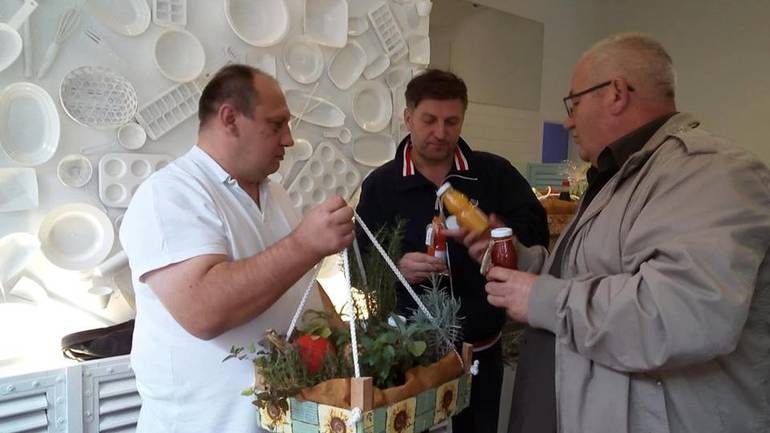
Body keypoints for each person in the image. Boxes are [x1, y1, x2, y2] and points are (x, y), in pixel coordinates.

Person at [465, 33, 770, 433]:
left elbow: (678, 314)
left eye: (574, 103)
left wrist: (540, 298)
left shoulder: (713, 173)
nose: (568, 121)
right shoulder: (617, 174)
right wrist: (520, 259)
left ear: (616, 94)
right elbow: (588, 274)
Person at [119, 64, 355, 433]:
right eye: (276, 125)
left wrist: (344, 340)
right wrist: (305, 245)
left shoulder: (274, 193)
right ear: (230, 119)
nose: (289, 139)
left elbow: (299, 284)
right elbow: (203, 309)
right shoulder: (169, 193)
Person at [356, 69, 549, 432]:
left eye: (451, 122)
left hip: (481, 350)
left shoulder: (494, 174)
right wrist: (395, 268)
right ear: (408, 117)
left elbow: (536, 232)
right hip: (407, 360)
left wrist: (500, 239)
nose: (440, 132)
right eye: (429, 120)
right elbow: (359, 264)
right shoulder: (381, 186)